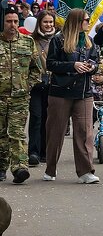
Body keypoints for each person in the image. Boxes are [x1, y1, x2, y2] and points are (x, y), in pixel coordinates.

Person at [44, 8, 103, 183]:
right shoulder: (58, 39)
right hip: (60, 92)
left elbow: (96, 62)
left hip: (84, 91)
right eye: (85, 20)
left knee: (85, 132)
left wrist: (92, 67)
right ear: (77, 21)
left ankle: (86, 172)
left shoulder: (89, 41)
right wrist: (73, 65)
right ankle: (50, 168)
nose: (88, 22)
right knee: (55, 131)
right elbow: (51, 64)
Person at [0, 6, 40, 184]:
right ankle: (1, 167)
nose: (13, 25)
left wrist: (27, 86)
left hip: (19, 98)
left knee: (17, 133)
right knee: (1, 134)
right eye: (9, 21)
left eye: (16, 21)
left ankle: (19, 168)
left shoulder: (27, 42)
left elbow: (36, 69)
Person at [27, 10, 57, 167]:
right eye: (45, 22)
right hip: (36, 85)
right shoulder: (31, 40)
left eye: (51, 22)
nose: (48, 25)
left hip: (53, 85)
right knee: (36, 117)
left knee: (49, 118)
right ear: (39, 23)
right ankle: (33, 152)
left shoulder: (58, 39)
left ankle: (46, 151)